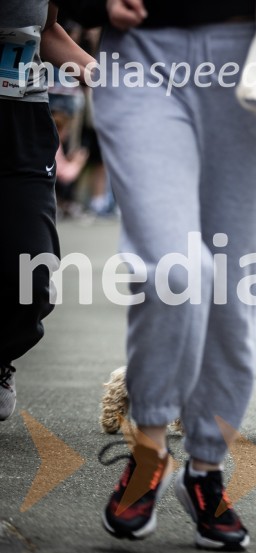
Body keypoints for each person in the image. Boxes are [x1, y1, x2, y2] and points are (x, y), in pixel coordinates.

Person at [56, 0, 256, 549]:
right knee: (173, 268)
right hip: (142, 55)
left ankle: (206, 470)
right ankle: (148, 453)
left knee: (234, 285)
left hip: (255, 56)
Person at [0, 1, 94, 421]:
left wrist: (104, 77)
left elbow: (47, 29)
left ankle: (2, 354)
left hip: (21, 114)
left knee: (32, 277)